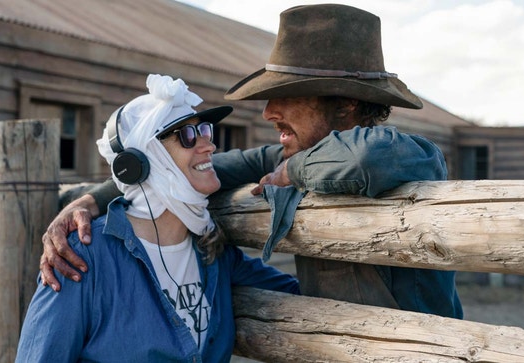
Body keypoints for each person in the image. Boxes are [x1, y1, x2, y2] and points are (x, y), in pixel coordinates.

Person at [41, 4, 462, 319]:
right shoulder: (290, 154)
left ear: (346, 103)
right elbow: (187, 170)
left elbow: (364, 161)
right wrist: (89, 202)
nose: (268, 112)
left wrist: (289, 173)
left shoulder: (405, 153)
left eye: (288, 95)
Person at [16, 74, 299, 362]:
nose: (209, 145)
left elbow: (301, 298)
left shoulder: (214, 254)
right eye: (188, 137)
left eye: (205, 131)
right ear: (140, 161)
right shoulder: (83, 257)